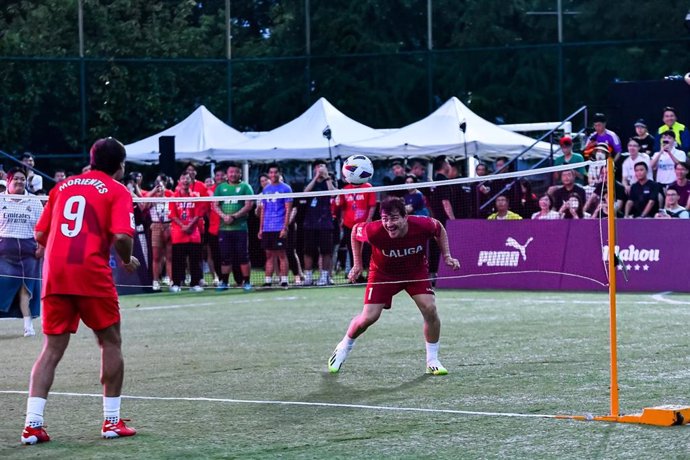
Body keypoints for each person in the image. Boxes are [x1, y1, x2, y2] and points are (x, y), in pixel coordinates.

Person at [22, 138, 140, 445]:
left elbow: (40, 233)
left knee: (51, 350)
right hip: (90, 273)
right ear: (120, 166)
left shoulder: (63, 187)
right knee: (110, 341)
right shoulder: (118, 190)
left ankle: (32, 425)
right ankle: (112, 421)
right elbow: (123, 236)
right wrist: (126, 260)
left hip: (56, 274)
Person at [327, 197, 460, 375]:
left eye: (394, 218)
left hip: (415, 272)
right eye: (385, 219)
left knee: (430, 308)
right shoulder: (374, 230)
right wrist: (357, 265)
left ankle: (432, 360)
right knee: (368, 318)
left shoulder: (423, 225)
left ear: (406, 217)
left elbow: (439, 229)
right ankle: (343, 346)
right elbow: (354, 234)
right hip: (383, 274)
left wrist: (447, 256)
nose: (389, 224)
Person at [0, 167, 44, 336]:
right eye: (16, 179)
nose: (19, 182)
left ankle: (28, 326)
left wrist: (41, 246)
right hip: (4, 252)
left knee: (26, 289)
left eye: (22, 179)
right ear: (9, 181)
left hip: (29, 252)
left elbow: (42, 227)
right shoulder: (1, 200)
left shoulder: (33, 201)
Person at [213, 163, 254, 291]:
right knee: (225, 257)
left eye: (236, 172)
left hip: (240, 228)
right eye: (231, 172)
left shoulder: (245, 187)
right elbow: (215, 205)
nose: (233, 174)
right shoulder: (220, 188)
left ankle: (246, 282)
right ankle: (224, 282)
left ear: (240, 173)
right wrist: (224, 216)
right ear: (227, 174)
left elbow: (249, 205)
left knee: (243, 256)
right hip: (224, 229)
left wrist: (234, 217)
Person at [302, 161, 337, 286]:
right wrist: (316, 177)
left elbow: (333, 193)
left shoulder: (330, 181)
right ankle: (308, 277)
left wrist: (327, 177)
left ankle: (324, 276)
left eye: (322, 167)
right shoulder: (310, 181)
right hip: (310, 223)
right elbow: (305, 193)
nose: (319, 169)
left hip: (325, 223)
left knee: (326, 251)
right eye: (317, 167)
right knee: (308, 251)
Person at [168, 172, 204, 292]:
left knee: (195, 261)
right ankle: (176, 284)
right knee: (178, 261)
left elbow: (198, 214)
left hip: (194, 234)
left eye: (187, 179)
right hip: (178, 234)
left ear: (191, 181)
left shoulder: (196, 196)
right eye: (183, 178)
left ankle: (195, 284)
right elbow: (172, 215)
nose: (185, 181)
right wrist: (183, 226)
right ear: (179, 181)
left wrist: (189, 225)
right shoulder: (174, 197)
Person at [259, 164, 293, 288]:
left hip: (279, 226)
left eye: (275, 172)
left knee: (281, 254)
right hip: (267, 227)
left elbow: (288, 209)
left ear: (279, 173)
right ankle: (268, 280)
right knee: (268, 254)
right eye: (271, 172)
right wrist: (261, 228)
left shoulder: (286, 188)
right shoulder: (266, 189)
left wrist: (285, 227)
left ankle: (284, 280)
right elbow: (263, 210)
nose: (273, 175)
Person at [143, 176, 173, 291]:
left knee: (170, 256)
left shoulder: (170, 197)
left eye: (161, 187)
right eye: (158, 188)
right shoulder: (152, 199)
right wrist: (153, 192)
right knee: (156, 256)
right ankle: (155, 281)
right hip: (155, 226)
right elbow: (143, 206)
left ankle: (171, 281)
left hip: (169, 225)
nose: (160, 190)